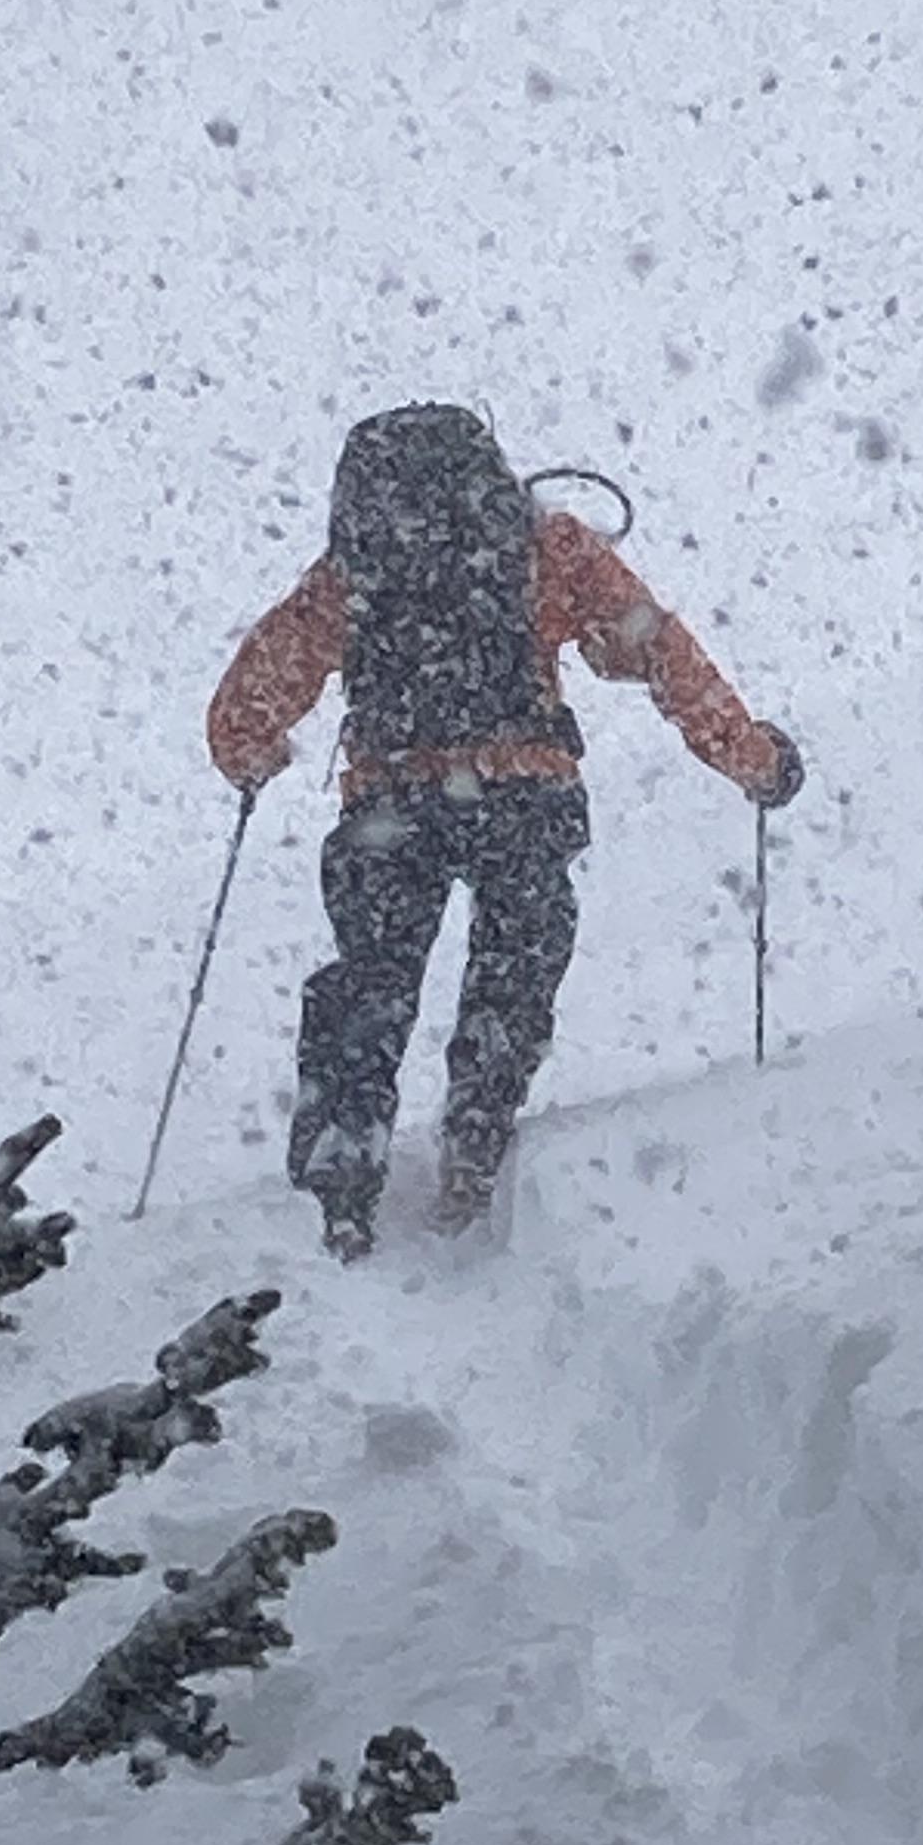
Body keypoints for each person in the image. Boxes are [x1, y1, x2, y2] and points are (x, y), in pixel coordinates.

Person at [206, 406, 803, 1258]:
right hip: (522, 793)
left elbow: (255, 693)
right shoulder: (546, 548)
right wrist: (751, 757)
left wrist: (251, 754)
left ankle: (341, 1182)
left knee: (370, 984)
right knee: (514, 969)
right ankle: (475, 1144)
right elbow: (656, 650)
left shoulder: (353, 571)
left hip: (390, 805)